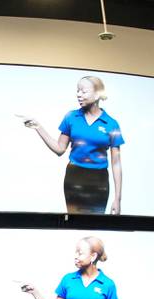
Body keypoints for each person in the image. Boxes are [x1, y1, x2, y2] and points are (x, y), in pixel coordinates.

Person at [19, 76, 124, 214]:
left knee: (96, 224)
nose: (78, 94)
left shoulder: (111, 124)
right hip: (74, 176)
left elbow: (116, 164)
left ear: (97, 94)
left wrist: (117, 199)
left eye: (84, 91)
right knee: (75, 223)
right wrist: (38, 127)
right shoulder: (71, 117)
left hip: (99, 180)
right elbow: (59, 149)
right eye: (77, 91)